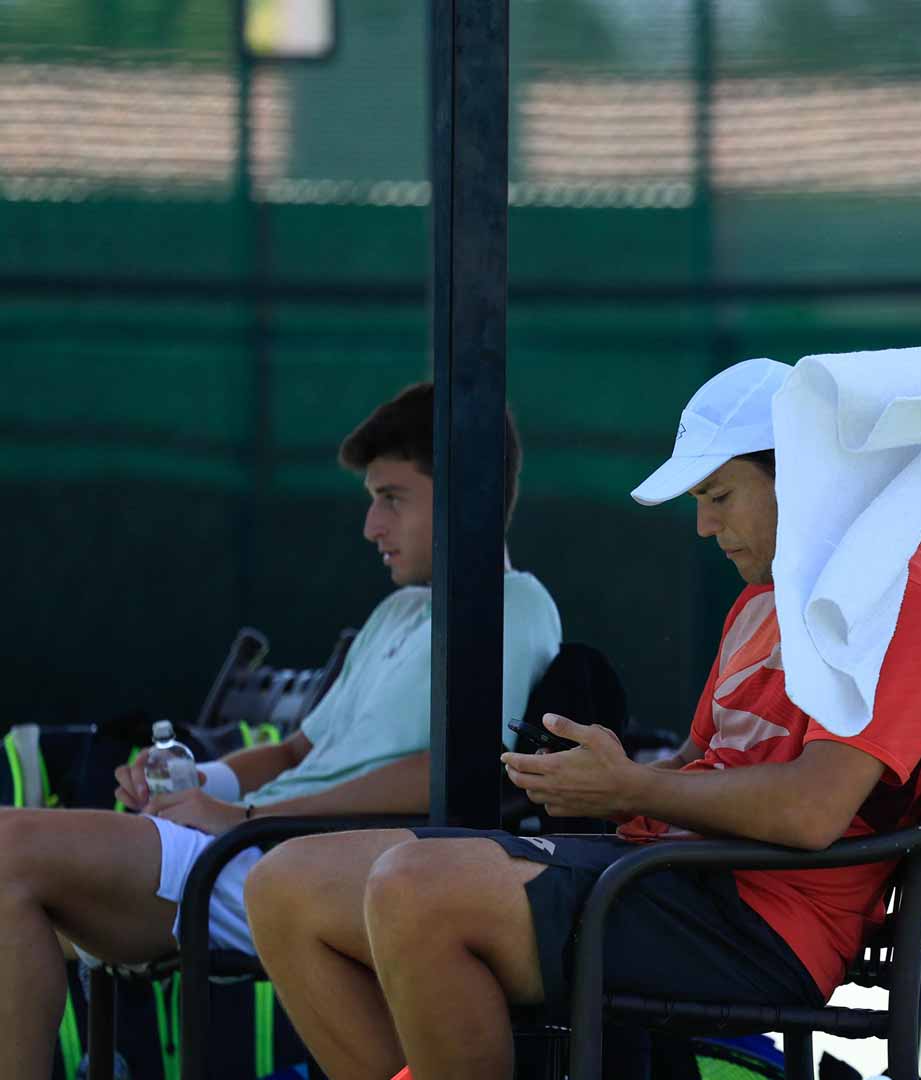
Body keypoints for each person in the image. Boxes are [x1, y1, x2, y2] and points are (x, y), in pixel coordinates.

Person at [242, 358, 921, 1080]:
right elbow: (700, 759)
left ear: (805, 474)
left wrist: (629, 789)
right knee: (284, 887)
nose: (702, 525)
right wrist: (594, 781)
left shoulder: (900, 598)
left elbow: (812, 812)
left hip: (761, 924)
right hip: (667, 876)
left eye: (719, 496)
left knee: (416, 888)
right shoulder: (766, 596)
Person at [0, 382, 561, 1080]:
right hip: (252, 851)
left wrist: (243, 815)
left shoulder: (515, 606)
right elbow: (299, 750)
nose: (370, 527)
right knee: (17, 876)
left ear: (463, 495)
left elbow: (452, 770)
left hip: (292, 862)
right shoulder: (397, 615)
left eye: (392, 498)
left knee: (8, 849)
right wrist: (196, 780)